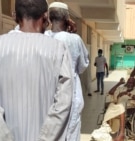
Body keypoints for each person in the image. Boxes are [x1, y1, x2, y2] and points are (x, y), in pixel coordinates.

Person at [0, 0, 74, 141]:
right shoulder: (59, 50)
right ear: (46, 17)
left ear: (15, 16)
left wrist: (3, 137)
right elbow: (64, 104)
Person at [45, 2, 89, 141]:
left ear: (49, 18)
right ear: (67, 18)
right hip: (71, 96)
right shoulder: (74, 39)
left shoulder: (43, 37)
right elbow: (82, 67)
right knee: (71, 135)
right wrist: (73, 34)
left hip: (48, 97)